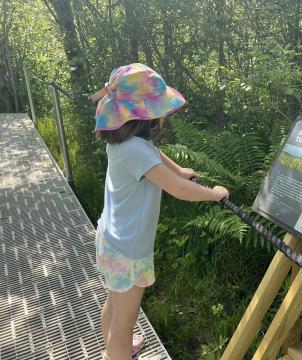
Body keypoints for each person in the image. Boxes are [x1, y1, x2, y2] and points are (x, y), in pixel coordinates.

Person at [90, 63, 229, 360]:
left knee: (114, 307)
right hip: (129, 250)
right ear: (146, 114)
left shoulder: (124, 140)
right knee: (124, 324)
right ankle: (117, 351)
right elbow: (178, 190)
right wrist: (213, 194)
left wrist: (178, 169)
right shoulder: (136, 150)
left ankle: (112, 347)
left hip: (111, 239)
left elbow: (156, 154)